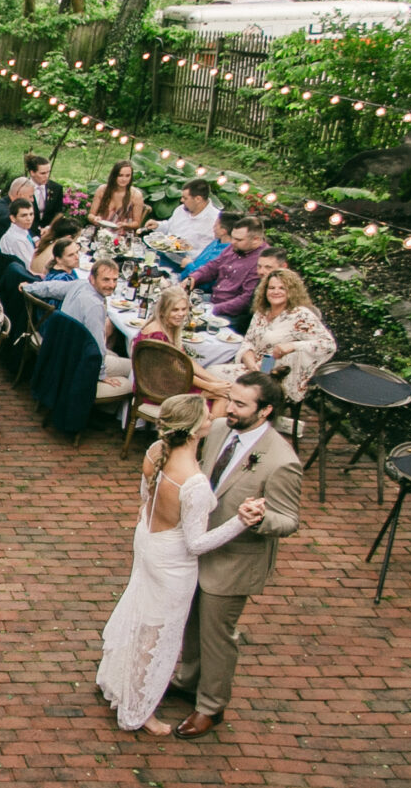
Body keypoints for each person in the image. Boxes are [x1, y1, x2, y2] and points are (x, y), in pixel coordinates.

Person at [94, 396, 254, 734]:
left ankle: (117, 680)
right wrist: (239, 522)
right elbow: (196, 544)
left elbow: (144, 496)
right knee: (157, 634)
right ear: (195, 429)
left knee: (137, 613)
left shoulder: (155, 450)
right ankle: (140, 709)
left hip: (149, 540)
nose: (214, 416)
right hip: (173, 564)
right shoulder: (192, 482)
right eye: (208, 415)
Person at [167, 372, 303, 738]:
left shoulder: (282, 460)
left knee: (217, 635)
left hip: (234, 561)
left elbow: (289, 520)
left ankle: (211, 707)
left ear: (266, 410)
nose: (230, 409)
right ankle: (188, 679)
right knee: (192, 622)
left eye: (241, 405)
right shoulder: (220, 431)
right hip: (200, 545)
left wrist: (258, 518)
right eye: (231, 399)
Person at [24, 257, 133, 387]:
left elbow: (51, 287)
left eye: (115, 280)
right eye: (106, 279)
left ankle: (106, 406)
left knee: (113, 351)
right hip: (79, 359)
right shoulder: (95, 306)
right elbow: (96, 344)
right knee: (133, 366)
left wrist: (29, 287)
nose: (111, 285)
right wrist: (101, 374)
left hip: (62, 347)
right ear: (92, 279)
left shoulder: (80, 284)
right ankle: (103, 403)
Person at [235, 269, 337, 401]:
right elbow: (248, 341)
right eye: (271, 288)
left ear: (291, 291)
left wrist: (293, 346)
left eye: (282, 288)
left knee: (228, 390)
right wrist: (250, 363)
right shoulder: (262, 312)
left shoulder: (301, 315)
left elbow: (328, 344)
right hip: (254, 369)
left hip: (276, 377)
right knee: (213, 375)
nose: (275, 292)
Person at [194, 217, 271, 332]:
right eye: (233, 237)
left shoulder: (262, 260)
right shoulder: (235, 247)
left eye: (238, 240)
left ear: (255, 239)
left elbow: (246, 300)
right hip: (214, 299)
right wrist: (193, 278)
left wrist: (213, 309)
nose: (232, 242)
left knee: (191, 325)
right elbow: (213, 266)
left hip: (232, 315)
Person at [158, 178, 222, 251]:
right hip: (165, 252)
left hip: (188, 260)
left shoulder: (215, 221)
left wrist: (183, 248)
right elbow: (170, 226)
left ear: (198, 199)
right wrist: (158, 226)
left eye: (185, 198)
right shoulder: (181, 209)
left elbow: (206, 253)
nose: (181, 200)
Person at [88, 159, 147, 236]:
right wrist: (94, 219)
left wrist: (125, 225)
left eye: (127, 176)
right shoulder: (102, 190)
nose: (124, 179)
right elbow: (90, 215)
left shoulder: (136, 195)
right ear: (114, 175)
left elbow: (137, 224)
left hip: (122, 236)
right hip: (100, 231)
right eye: (120, 175)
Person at [19, 154, 68, 227]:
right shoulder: (21, 188)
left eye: (48, 172)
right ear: (32, 172)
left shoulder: (56, 188)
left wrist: (49, 228)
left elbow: (58, 212)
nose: (47, 176)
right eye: (43, 173)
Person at [0, 198, 40, 268]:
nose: (29, 219)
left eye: (31, 214)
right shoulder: (17, 240)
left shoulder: (22, 230)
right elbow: (30, 266)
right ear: (13, 218)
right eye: (24, 215)